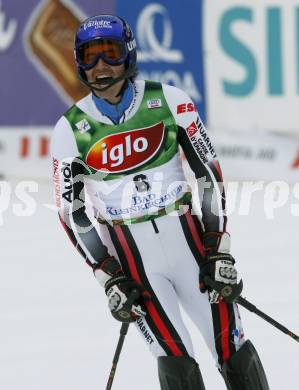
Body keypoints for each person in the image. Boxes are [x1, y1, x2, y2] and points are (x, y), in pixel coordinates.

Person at [50, 14, 270, 390]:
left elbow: (208, 174)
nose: (100, 67)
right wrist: (108, 275)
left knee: (232, 347)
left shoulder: (170, 101)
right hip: (135, 263)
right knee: (175, 362)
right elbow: (73, 212)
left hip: (191, 246)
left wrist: (218, 248)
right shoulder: (69, 129)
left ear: (129, 54)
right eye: (89, 57)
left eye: (110, 54)